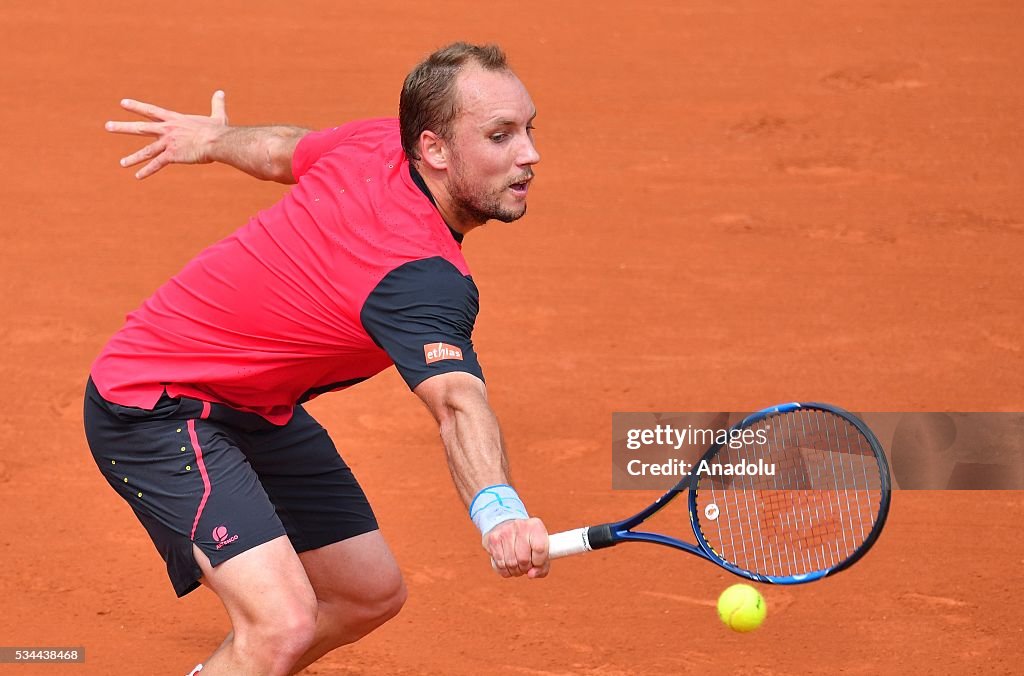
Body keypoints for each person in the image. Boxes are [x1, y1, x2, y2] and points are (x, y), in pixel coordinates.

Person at [84, 42, 549, 676]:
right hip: (154, 403)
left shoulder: (383, 142)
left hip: (252, 406)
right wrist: (501, 513)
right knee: (281, 624)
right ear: (434, 148)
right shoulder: (422, 280)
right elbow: (458, 403)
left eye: (528, 129)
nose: (529, 155)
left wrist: (217, 140)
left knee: (366, 595)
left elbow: (283, 149)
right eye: (501, 136)